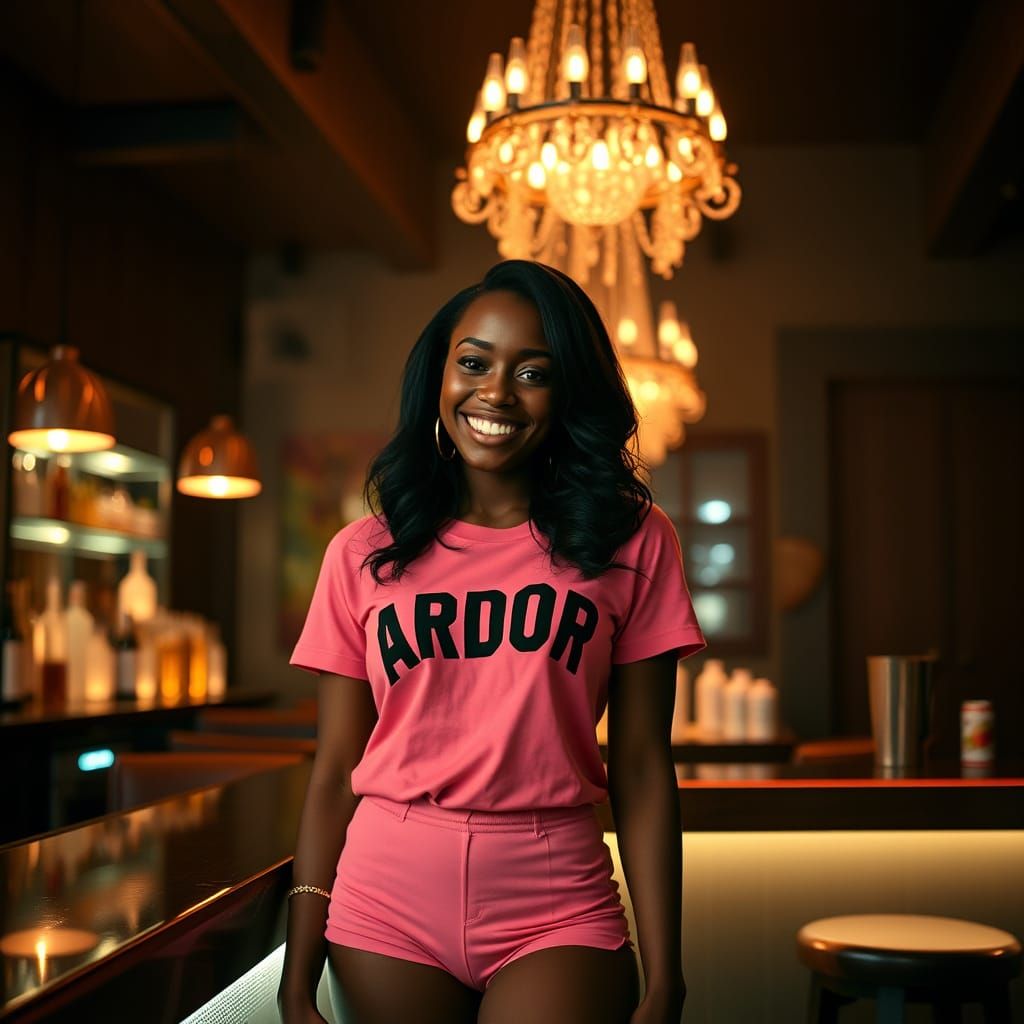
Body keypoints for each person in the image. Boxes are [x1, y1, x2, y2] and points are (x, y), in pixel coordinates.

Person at [277, 259, 706, 1024]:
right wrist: (296, 974)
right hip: (387, 893)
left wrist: (667, 976)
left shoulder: (631, 539)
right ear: (438, 375)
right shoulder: (363, 552)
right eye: (473, 362)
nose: (496, 393)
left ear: (567, 390)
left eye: (532, 372)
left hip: (555, 897)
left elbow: (642, 763)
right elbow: (336, 766)